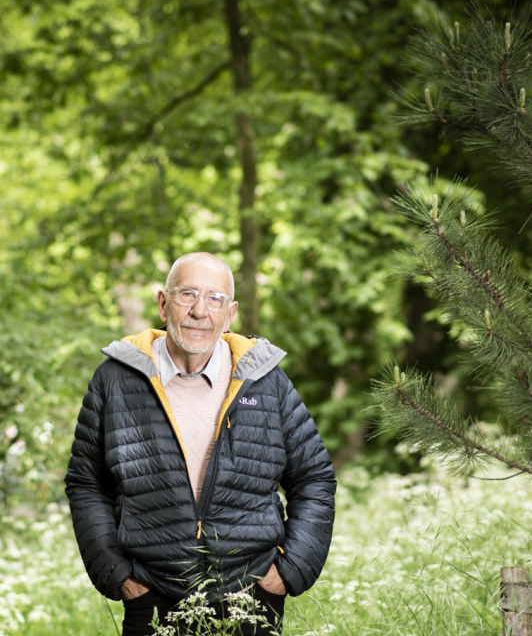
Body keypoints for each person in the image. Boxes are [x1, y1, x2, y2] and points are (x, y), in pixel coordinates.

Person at [65, 252, 337, 636]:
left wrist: (285, 573)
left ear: (230, 314)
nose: (199, 311)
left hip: (250, 597)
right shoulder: (116, 378)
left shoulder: (264, 379)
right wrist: (121, 578)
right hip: (151, 597)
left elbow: (314, 478)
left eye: (215, 299)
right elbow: (86, 484)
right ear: (163, 303)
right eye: (187, 294)